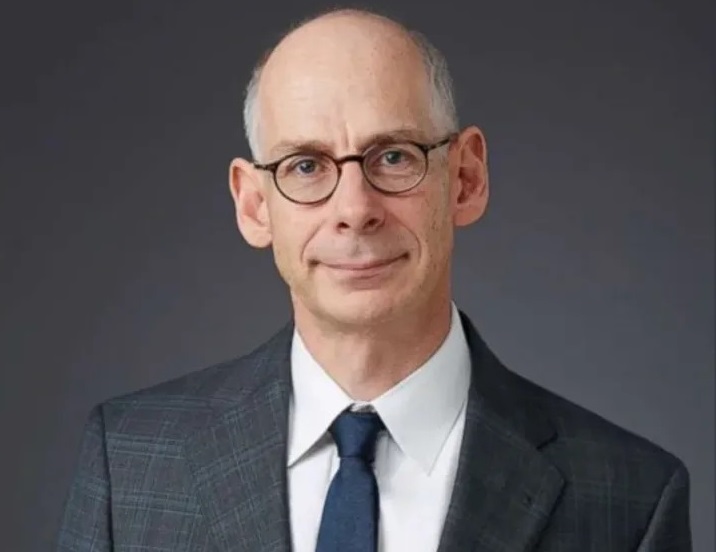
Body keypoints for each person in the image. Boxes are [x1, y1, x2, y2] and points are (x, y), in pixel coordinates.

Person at [56, 8, 692, 552]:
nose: (355, 208)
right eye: (305, 165)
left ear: (465, 179)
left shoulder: (631, 497)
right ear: (254, 205)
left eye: (394, 156)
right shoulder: (132, 461)